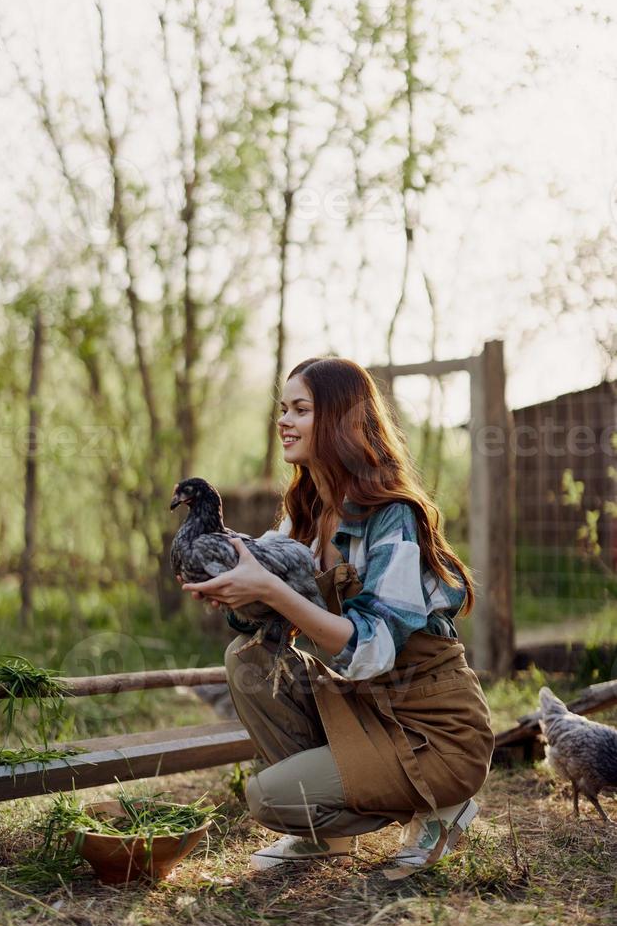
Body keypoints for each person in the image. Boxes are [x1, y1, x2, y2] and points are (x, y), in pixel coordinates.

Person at [180, 356, 495, 879]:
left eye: (300, 409)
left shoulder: (393, 516)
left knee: (268, 797)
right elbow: (268, 616)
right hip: (366, 708)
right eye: (282, 408)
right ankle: (326, 840)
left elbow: (372, 650)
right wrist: (239, 595)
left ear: (342, 422)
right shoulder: (304, 511)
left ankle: (441, 805)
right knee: (249, 658)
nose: (283, 420)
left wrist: (274, 591)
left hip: (434, 731)